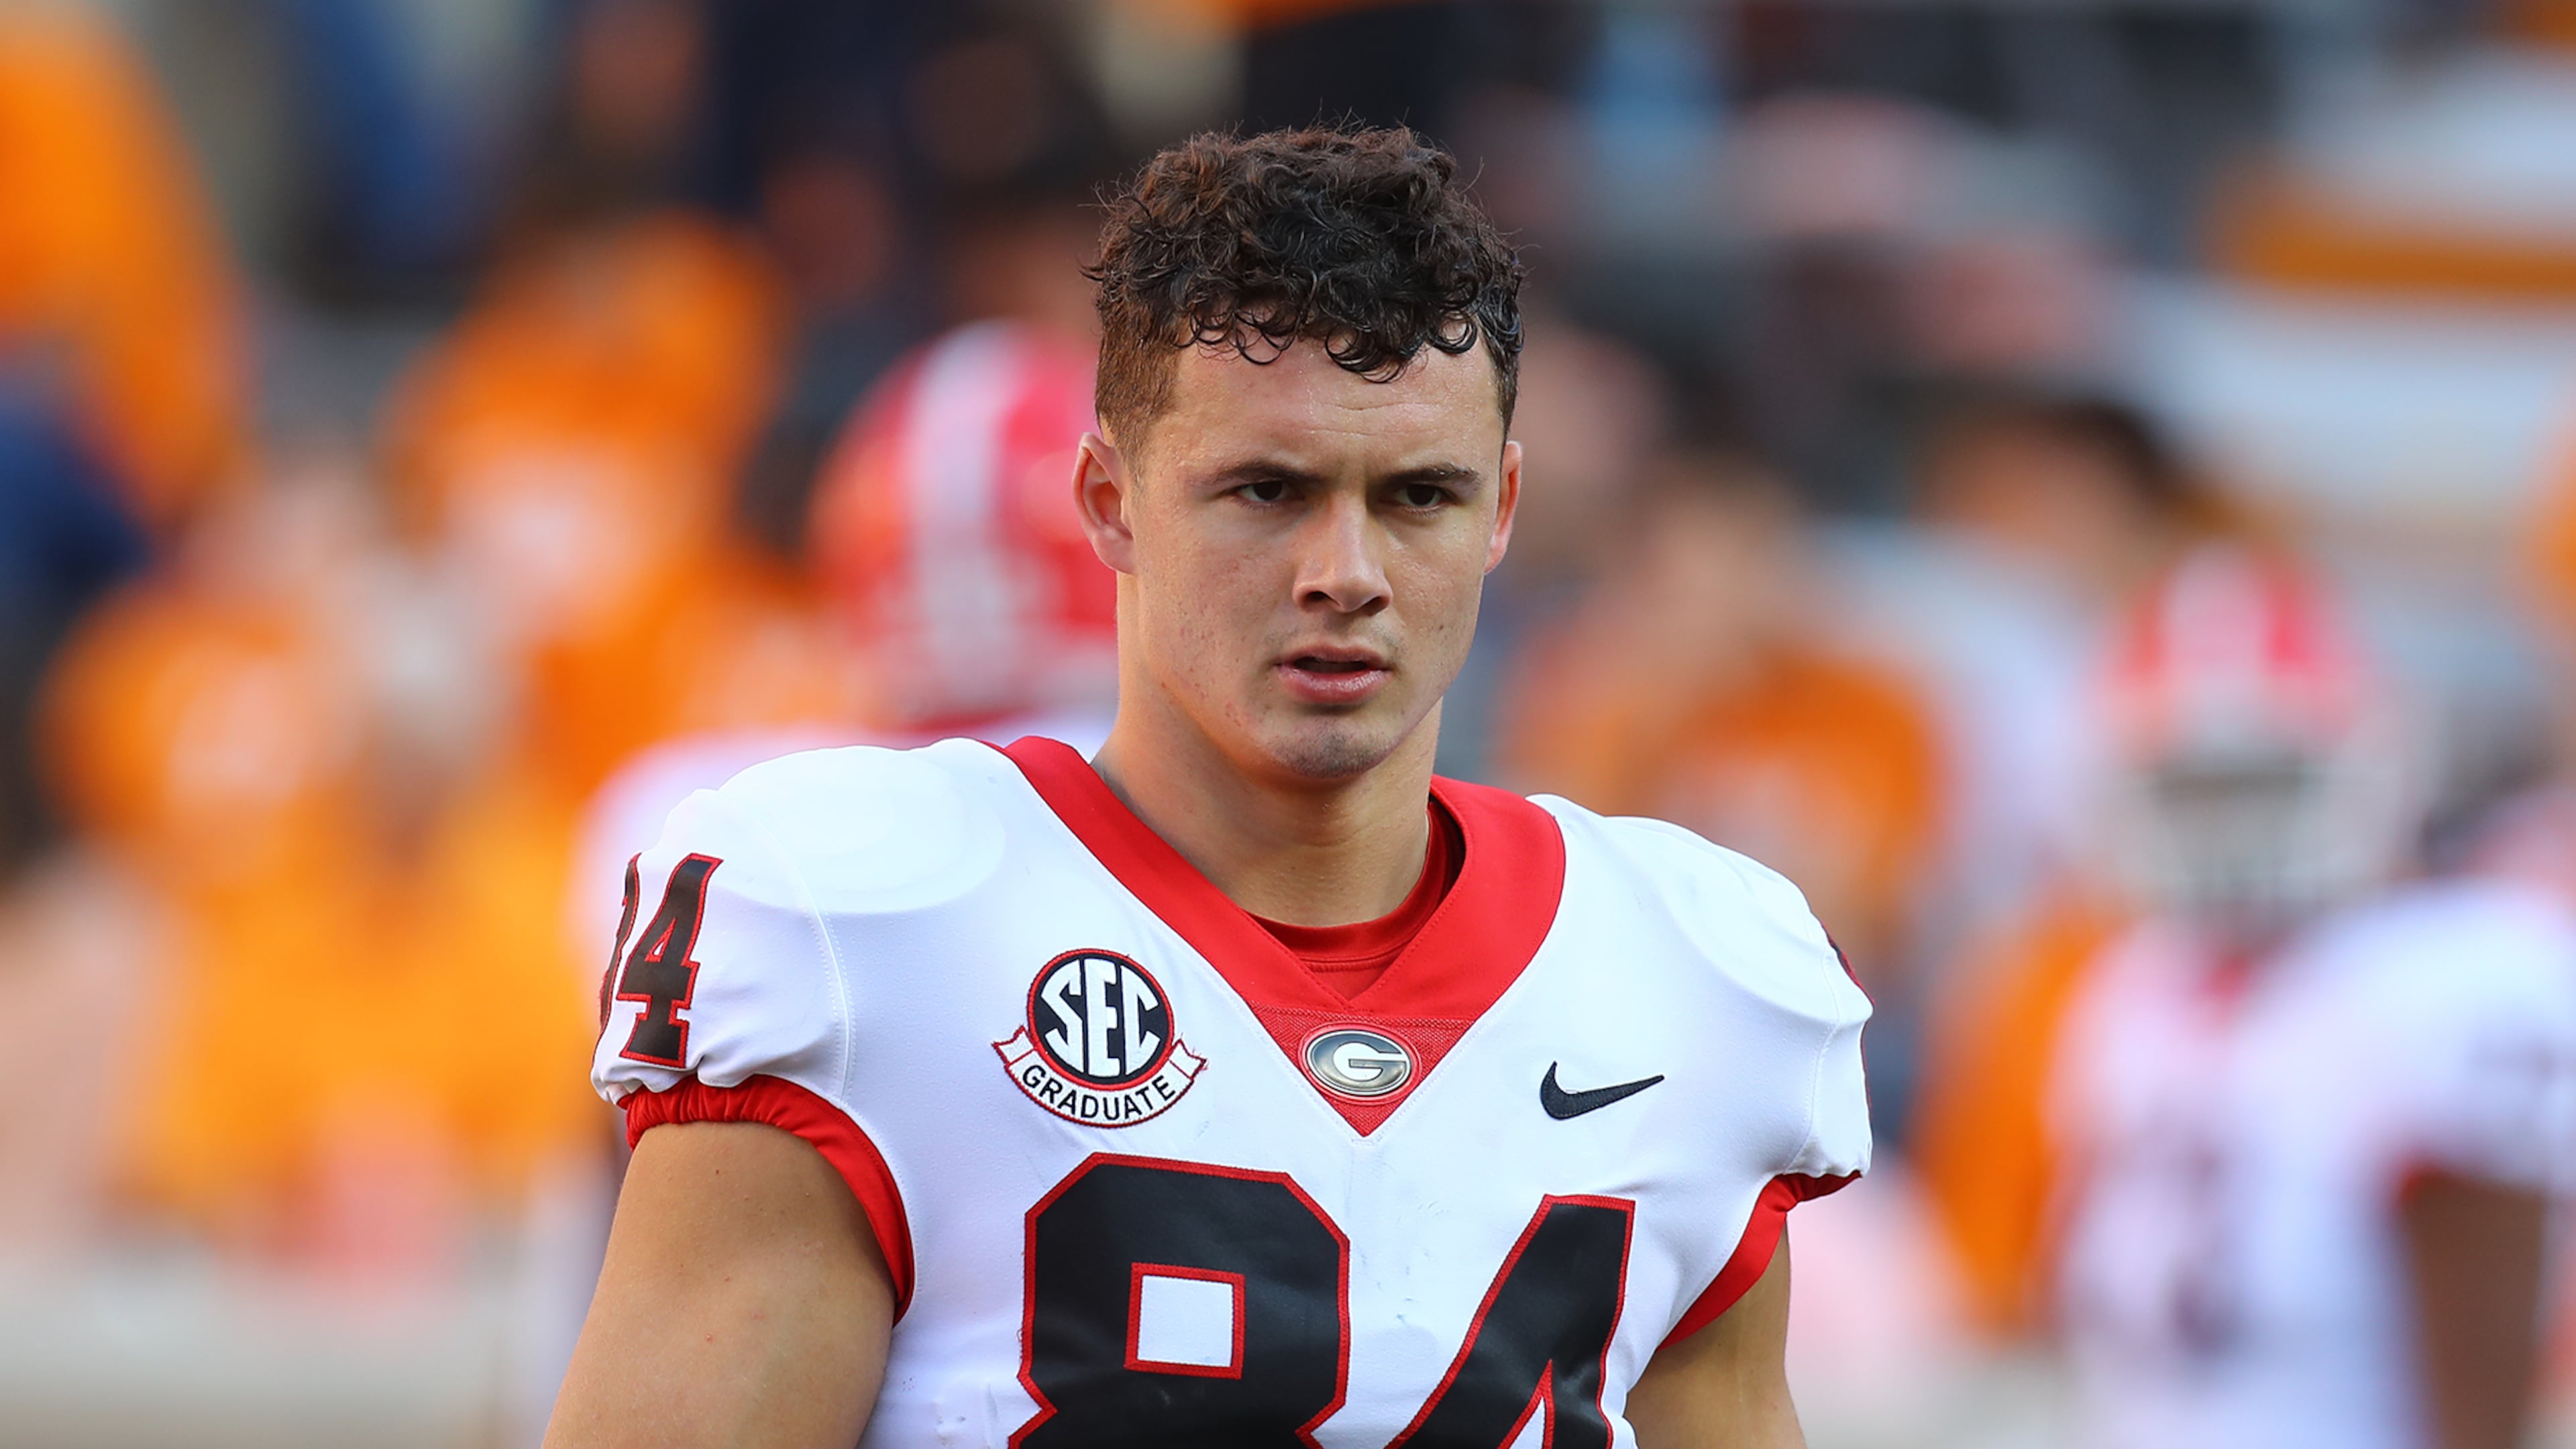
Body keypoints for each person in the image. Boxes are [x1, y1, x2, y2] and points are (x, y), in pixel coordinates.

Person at [546, 125, 1871, 1448]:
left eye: (1418, 495)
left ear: (1505, 508)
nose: (1345, 570)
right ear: (1109, 501)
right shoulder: (856, 930)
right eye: (1266, 490)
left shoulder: (1696, 971)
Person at [2046, 543, 2576, 1449]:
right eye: (2194, 791)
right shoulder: (2127, 983)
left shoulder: (2463, 970)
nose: (2232, 828)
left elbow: (2485, 1401)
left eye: (2264, 783)